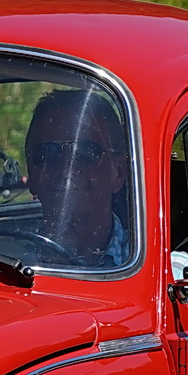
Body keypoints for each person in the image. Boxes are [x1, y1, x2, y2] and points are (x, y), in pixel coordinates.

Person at [24, 89, 134, 269]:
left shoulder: (167, 271)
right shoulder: (3, 266)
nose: (65, 169)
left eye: (86, 153)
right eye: (47, 153)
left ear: (119, 172)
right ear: (32, 173)